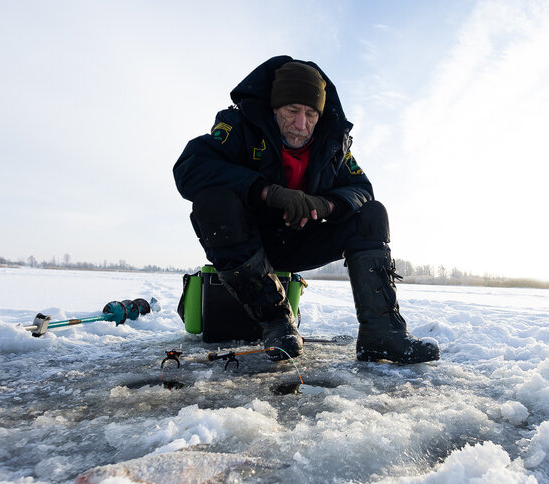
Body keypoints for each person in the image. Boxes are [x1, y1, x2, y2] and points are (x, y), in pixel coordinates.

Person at [173, 56, 439, 364]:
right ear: (274, 108)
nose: (302, 124)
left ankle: (380, 334)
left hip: (302, 240)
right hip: (249, 245)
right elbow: (190, 168)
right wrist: (265, 191)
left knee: (371, 214)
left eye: (311, 113)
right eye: (292, 111)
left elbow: (362, 189)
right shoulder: (239, 128)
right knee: (213, 201)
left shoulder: (332, 144)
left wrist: (325, 204)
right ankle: (278, 324)